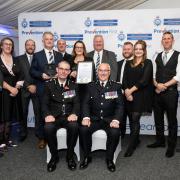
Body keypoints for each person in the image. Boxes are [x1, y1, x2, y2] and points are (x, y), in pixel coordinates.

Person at [79, 63, 123, 172]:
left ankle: (109, 159)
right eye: (100, 70)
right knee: (83, 129)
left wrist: (116, 120)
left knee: (114, 132)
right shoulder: (90, 86)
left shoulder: (116, 86)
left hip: (109, 119)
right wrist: (86, 117)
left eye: (105, 71)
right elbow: (85, 103)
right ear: (97, 72)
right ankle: (87, 157)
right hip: (94, 119)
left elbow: (120, 105)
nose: (103, 73)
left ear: (109, 72)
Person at [42, 61, 80, 172]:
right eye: (61, 69)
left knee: (74, 126)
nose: (63, 71)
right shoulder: (49, 85)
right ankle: (54, 157)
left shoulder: (74, 85)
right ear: (57, 70)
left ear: (69, 72)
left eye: (66, 69)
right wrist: (47, 115)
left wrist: (74, 113)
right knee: (48, 128)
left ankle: (69, 156)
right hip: (54, 116)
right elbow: (44, 103)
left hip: (68, 116)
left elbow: (77, 103)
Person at [147, 31, 180, 158]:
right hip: (157, 93)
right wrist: (156, 85)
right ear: (162, 41)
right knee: (158, 119)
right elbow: (153, 75)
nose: (166, 41)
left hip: (171, 93)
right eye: (164, 39)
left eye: (168, 38)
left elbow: (178, 76)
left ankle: (171, 146)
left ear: (172, 41)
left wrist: (164, 86)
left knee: (172, 120)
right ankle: (160, 141)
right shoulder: (157, 55)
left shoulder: (178, 55)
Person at [30, 32, 63, 149]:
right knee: (40, 114)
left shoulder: (59, 55)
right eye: (47, 39)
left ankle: (52, 136)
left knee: (54, 114)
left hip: (56, 90)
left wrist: (59, 75)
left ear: (53, 41)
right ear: (43, 41)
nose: (49, 41)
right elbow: (32, 71)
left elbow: (63, 70)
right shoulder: (37, 55)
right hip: (42, 89)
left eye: (51, 39)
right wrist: (41, 75)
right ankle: (42, 138)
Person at [123, 40, 153, 157]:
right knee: (131, 119)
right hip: (128, 95)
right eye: (136, 49)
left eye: (141, 49)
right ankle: (136, 140)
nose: (138, 51)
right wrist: (126, 91)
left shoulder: (148, 62)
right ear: (134, 50)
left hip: (141, 95)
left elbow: (144, 81)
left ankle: (131, 146)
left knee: (135, 119)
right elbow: (124, 79)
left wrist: (130, 91)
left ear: (144, 50)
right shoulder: (129, 62)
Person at [0, 37, 24, 150]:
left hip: (15, 92)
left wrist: (17, 88)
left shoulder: (16, 60)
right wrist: (11, 89)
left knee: (9, 117)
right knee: (2, 117)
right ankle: (1, 142)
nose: (8, 46)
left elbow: (21, 75)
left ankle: (7, 140)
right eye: (6, 44)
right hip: (3, 92)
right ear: (1, 46)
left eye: (10, 44)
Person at [18, 39, 41, 142]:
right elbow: (18, 75)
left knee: (38, 112)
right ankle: (23, 132)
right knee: (23, 112)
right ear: (25, 46)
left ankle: (38, 132)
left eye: (32, 45)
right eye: (28, 45)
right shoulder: (18, 59)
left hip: (37, 89)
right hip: (24, 90)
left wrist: (35, 86)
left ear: (35, 46)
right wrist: (28, 86)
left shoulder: (39, 57)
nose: (30, 47)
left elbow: (40, 73)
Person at [117, 41, 134, 138]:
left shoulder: (136, 63)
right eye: (124, 49)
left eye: (128, 49)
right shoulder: (118, 63)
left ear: (132, 50)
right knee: (120, 118)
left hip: (132, 96)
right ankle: (120, 138)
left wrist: (129, 91)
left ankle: (134, 139)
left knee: (133, 120)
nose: (126, 51)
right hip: (119, 96)